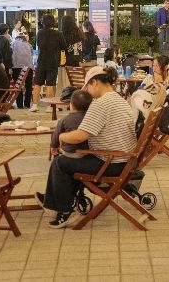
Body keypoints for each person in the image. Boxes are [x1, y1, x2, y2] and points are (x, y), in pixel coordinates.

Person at [36, 66, 138, 228]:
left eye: (88, 87)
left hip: (111, 163)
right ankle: (56, 200)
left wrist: (61, 137)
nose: (88, 92)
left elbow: (80, 136)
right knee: (74, 160)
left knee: (60, 163)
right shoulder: (119, 99)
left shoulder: (101, 104)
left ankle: (64, 210)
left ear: (95, 82)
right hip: (125, 160)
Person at [33, 14, 66, 109]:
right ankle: (49, 107)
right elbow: (63, 46)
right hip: (53, 61)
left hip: (41, 61)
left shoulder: (40, 33)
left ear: (43, 22)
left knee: (37, 84)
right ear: (53, 22)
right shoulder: (58, 34)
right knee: (50, 84)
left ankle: (34, 105)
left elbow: (38, 44)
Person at [50, 90, 93, 158]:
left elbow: (56, 136)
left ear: (72, 105)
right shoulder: (91, 118)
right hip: (88, 152)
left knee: (56, 161)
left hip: (70, 153)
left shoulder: (64, 120)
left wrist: (53, 147)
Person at [11, 33, 34, 108]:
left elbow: (10, 54)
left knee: (18, 86)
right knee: (28, 86)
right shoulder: (29, 44)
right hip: (28, 67)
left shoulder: (13, 43)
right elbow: (31, 55)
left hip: (16, 67)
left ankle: (19, 104)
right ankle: (27, 104)